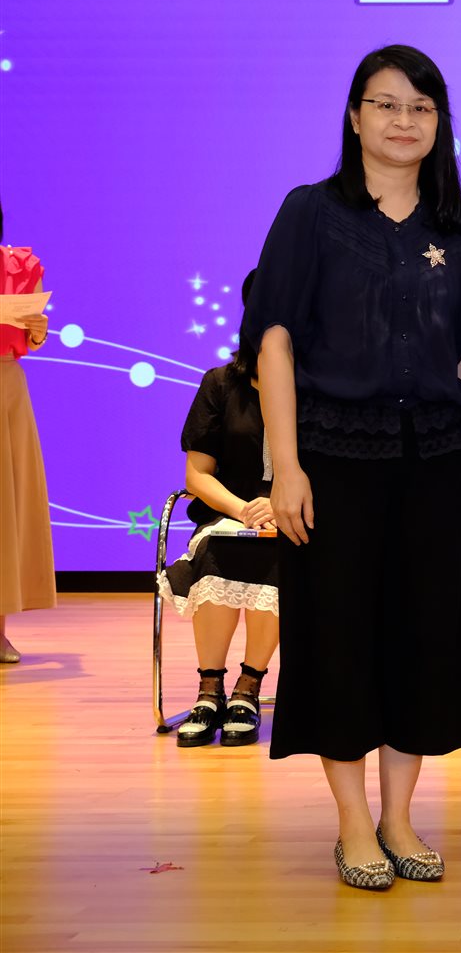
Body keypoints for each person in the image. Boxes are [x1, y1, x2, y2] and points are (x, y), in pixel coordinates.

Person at [243, 44, 461, 891]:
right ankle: (352, 821)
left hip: (434, 459)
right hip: (333, 459)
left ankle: (399, 816)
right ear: (355, 117)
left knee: (423, 636)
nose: (403, 121)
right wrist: (285, 465)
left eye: (421, 107)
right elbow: (274, 340)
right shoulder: (312, 212)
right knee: (339, 634)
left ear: (440, 123)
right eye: (385, 104)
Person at [158, 271, 280, 746]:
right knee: (215, 552)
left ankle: (249, 688)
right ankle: (210, 690)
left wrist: (279, 504)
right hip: (227, 513)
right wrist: (245, 510)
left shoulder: (316, 388)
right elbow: (197, 476)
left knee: (282, 553)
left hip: (291, 515)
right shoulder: (220, 384)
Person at [0, 205, 55, 663]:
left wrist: (38, 331)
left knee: (7, 506)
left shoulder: (19, 265)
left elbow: (33, 341)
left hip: (6, 384)